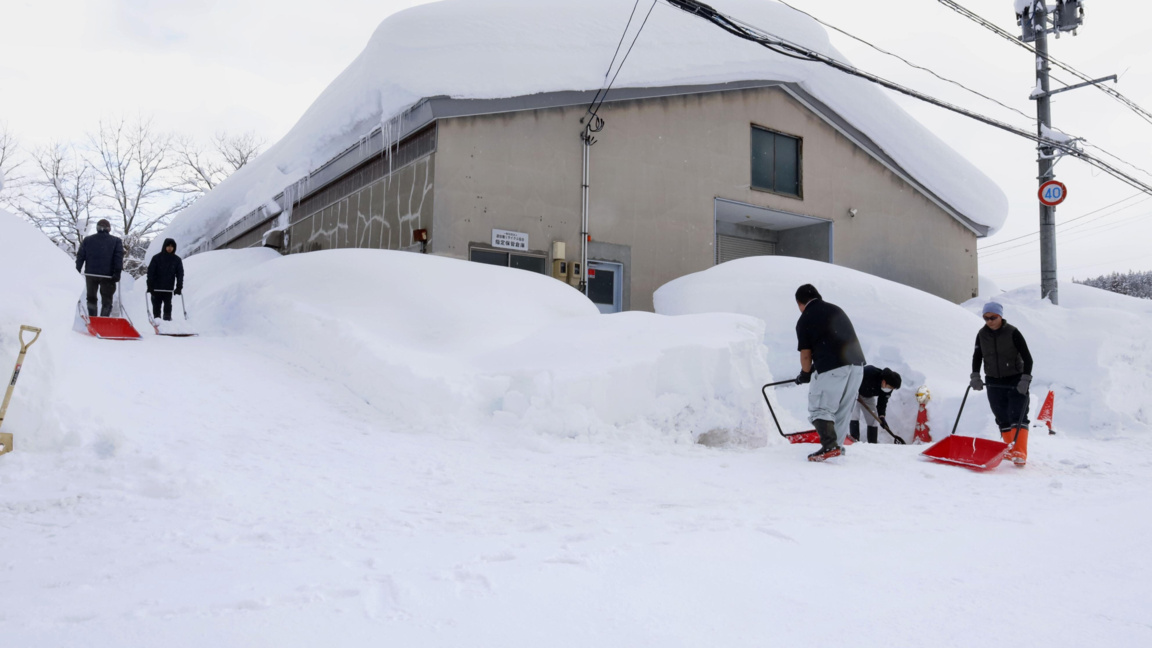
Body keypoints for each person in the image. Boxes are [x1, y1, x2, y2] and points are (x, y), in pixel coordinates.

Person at [794, 284, 866, 461]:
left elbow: (805, 354)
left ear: (799, 302)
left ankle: (829, 446)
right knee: (843, 408)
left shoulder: (805, 318)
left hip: (832, 366)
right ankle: (836, 448)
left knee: (820, 408)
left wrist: (805, 373)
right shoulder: (836, 309)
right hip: (857, 365)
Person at [970, 302, 1034, 466]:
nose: (989, 321)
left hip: (1015, 378)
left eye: (993, 317)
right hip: (993, 380)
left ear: (1000, 316)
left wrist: (1025, 379)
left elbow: (1028, 358)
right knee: (1001, 416)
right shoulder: (981, 334)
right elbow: (977, 356)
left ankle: (1019, 451)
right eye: (986, 318)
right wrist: (975, 376)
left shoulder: (1012, 332)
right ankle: (1009, 449)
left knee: (1017, 414)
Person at [75, 219, 124, 317]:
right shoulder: (116, 241)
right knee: (107, 299)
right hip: (108, 276)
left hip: (91, 274)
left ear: (97, 228)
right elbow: (118, 258)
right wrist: (117, 272)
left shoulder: (88, 240)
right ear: (108, 229)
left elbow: (80, 256)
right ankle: (103, 320)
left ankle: (93, 318)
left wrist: (77, 270)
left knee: (91, 298)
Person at [851, 366, 902, 443]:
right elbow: (853, 378)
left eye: (892, 389)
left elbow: (882, 402)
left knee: (873, 420)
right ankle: (854, 440)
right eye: (891, 387)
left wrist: (882, 416)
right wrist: (854, 391)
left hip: (868, 396)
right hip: (854, 393)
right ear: (884, 382)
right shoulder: (869, 372)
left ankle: (872, 444)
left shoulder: (888, 388)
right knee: (854, 415)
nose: (891, 390)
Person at [146, 238, 184, 321]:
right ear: (164, 246)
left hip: (168, 289)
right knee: (156, 306)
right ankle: (157, 321)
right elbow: (150, 273)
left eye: (172, 246)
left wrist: (179, 287)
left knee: (168, 306)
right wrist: (150, 285)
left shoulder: (177, 260)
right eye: (168, 246)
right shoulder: (156, 258)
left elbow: (180, 274)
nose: (170, 248)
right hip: (156, 289)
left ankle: (167, 320)